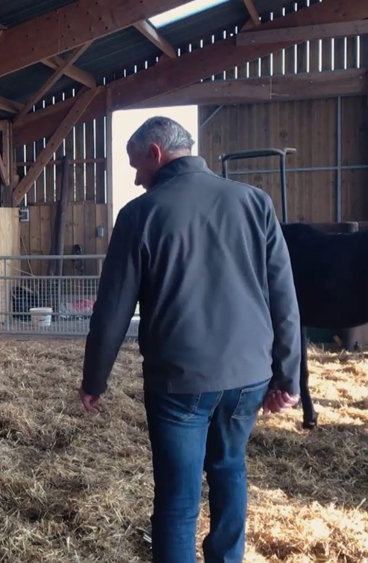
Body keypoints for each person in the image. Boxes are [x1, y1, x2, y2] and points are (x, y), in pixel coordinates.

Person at [79, 116, 301, 563]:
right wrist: (288, 377)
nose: (137, 179)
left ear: (155, 153)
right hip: (248, 377)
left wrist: (94, 380)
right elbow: (283, 295)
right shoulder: (254, 202)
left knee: (178, 499)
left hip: (179, 382)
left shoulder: (140, 214)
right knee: (229, 469)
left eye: (136, 167)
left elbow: (112, 310)